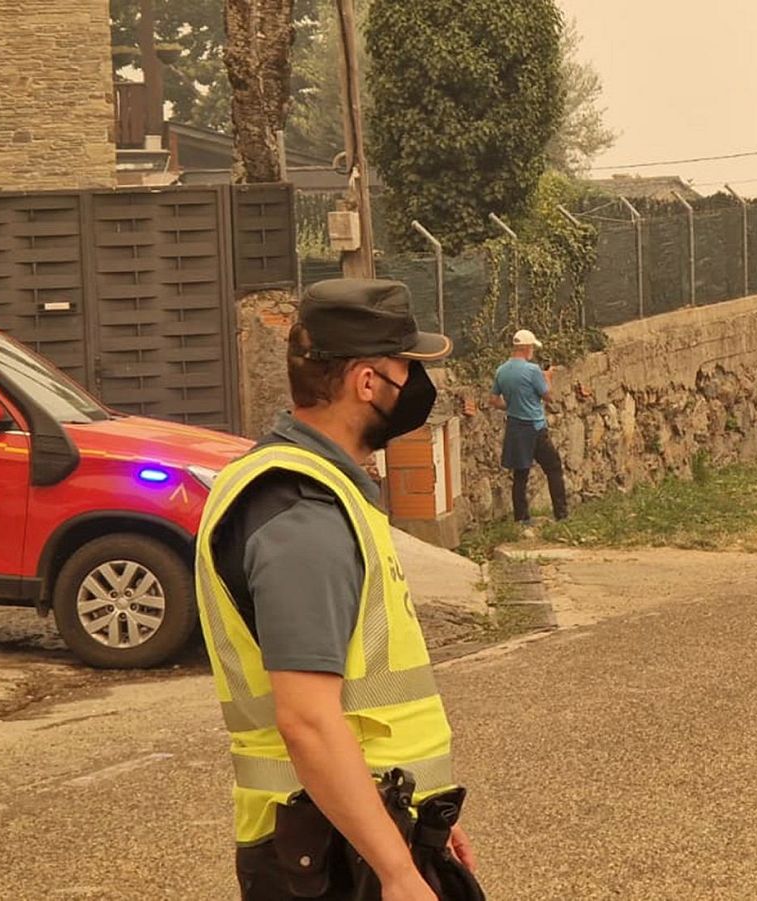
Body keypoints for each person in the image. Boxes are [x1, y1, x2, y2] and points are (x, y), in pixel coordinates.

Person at [195, 279, 476, 900]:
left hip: (356, 834)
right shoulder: (304, 514)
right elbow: (309, 722)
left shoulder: (317, 491)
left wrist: (421, 824)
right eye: (407, 367)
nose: (417, 384)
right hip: (334, 860)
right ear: (368, 382)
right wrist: (397, 870)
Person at [491, 329, 568, 527]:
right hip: (535, 427)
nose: (533, 351)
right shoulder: (532, 370)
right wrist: (548, 377)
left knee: (520, 474)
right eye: (532, 347)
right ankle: (561, 514)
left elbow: (494, 400)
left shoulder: (501, 370)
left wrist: (513, 405)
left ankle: (521, 518)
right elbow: (548, 395)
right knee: (553, 467)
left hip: (515, 428)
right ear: (526, 348)